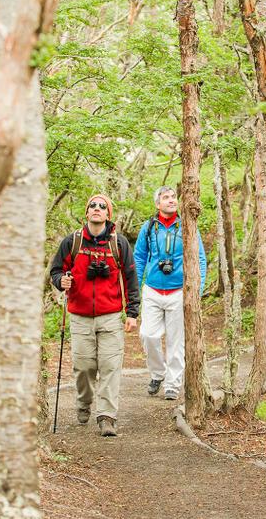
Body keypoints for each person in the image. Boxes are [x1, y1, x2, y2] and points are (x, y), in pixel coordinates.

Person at [49, 194, 140, 437]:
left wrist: (132, 312)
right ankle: (83, 403)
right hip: (80, 316)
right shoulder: (73, 242)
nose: (97, 209)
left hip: (110, 315)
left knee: (110, 366)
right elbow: (56, 270)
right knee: (84, 367)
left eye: (102, 206)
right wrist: (61, 281)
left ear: (108, 214)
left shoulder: (118, 244)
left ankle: (106, 417)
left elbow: (130, 277)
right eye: (93, 206)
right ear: (86, 213)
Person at [133, 186, 206, 401]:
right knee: (148, 335)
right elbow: (138, 258)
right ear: (158, 204)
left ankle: (173, 385)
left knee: (176, 341)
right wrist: (134, 290)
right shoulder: (148, 228)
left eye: (174, 197)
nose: (171, 200)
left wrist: (197, 291)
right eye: (166, 197)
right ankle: (158, 374)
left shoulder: (187, 226)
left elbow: (200, 258)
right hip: (152, 289)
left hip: (178, 291)